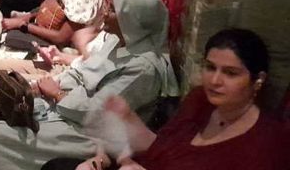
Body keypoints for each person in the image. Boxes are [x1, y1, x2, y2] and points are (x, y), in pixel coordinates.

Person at [0, 0, 178, 170]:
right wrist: (48, 87)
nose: (105, 15)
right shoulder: (115, 42)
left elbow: (99, 112)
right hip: (65, 107)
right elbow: (82, 72)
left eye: (113, 11)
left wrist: (57, 94)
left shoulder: (144, 69)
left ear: (132, 19)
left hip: (88, 133)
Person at [67, 28, 286, 170]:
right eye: (210, 68)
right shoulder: (200, 99)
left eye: (230, 73)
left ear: (258, 80)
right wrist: (124, 128)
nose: (215, 80)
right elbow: (163, 149)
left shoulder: (264, 144)